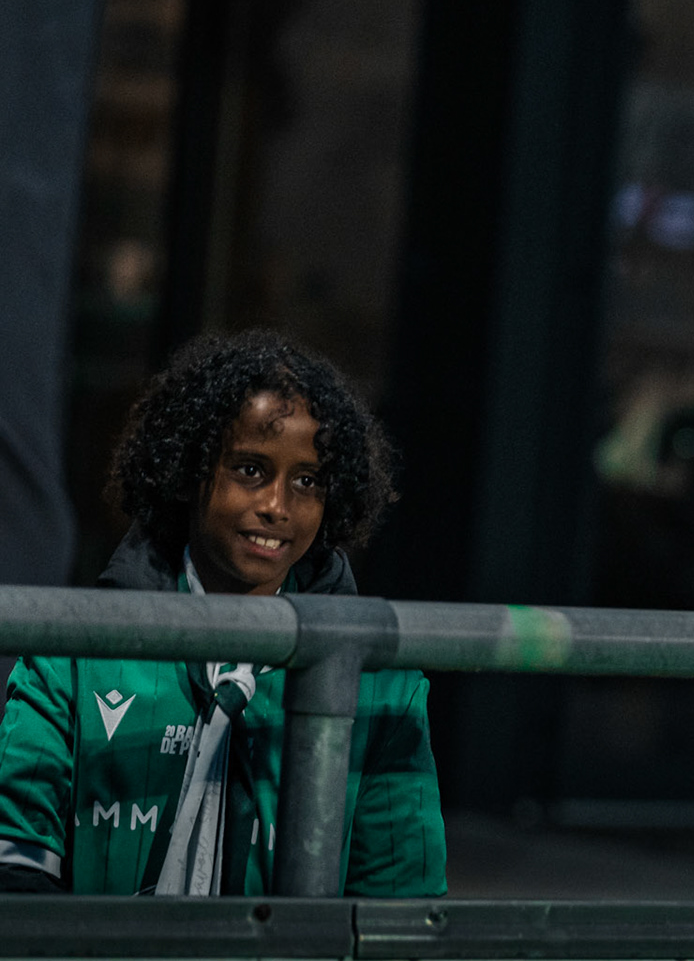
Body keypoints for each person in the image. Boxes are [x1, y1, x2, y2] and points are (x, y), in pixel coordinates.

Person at [0, 332, 447, 896]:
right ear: (189, 471)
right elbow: (14, 863)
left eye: (307, 481)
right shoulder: (72, 655)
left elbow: (399, 912)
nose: (277, 507)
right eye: (250, 470)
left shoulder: (383, 689)